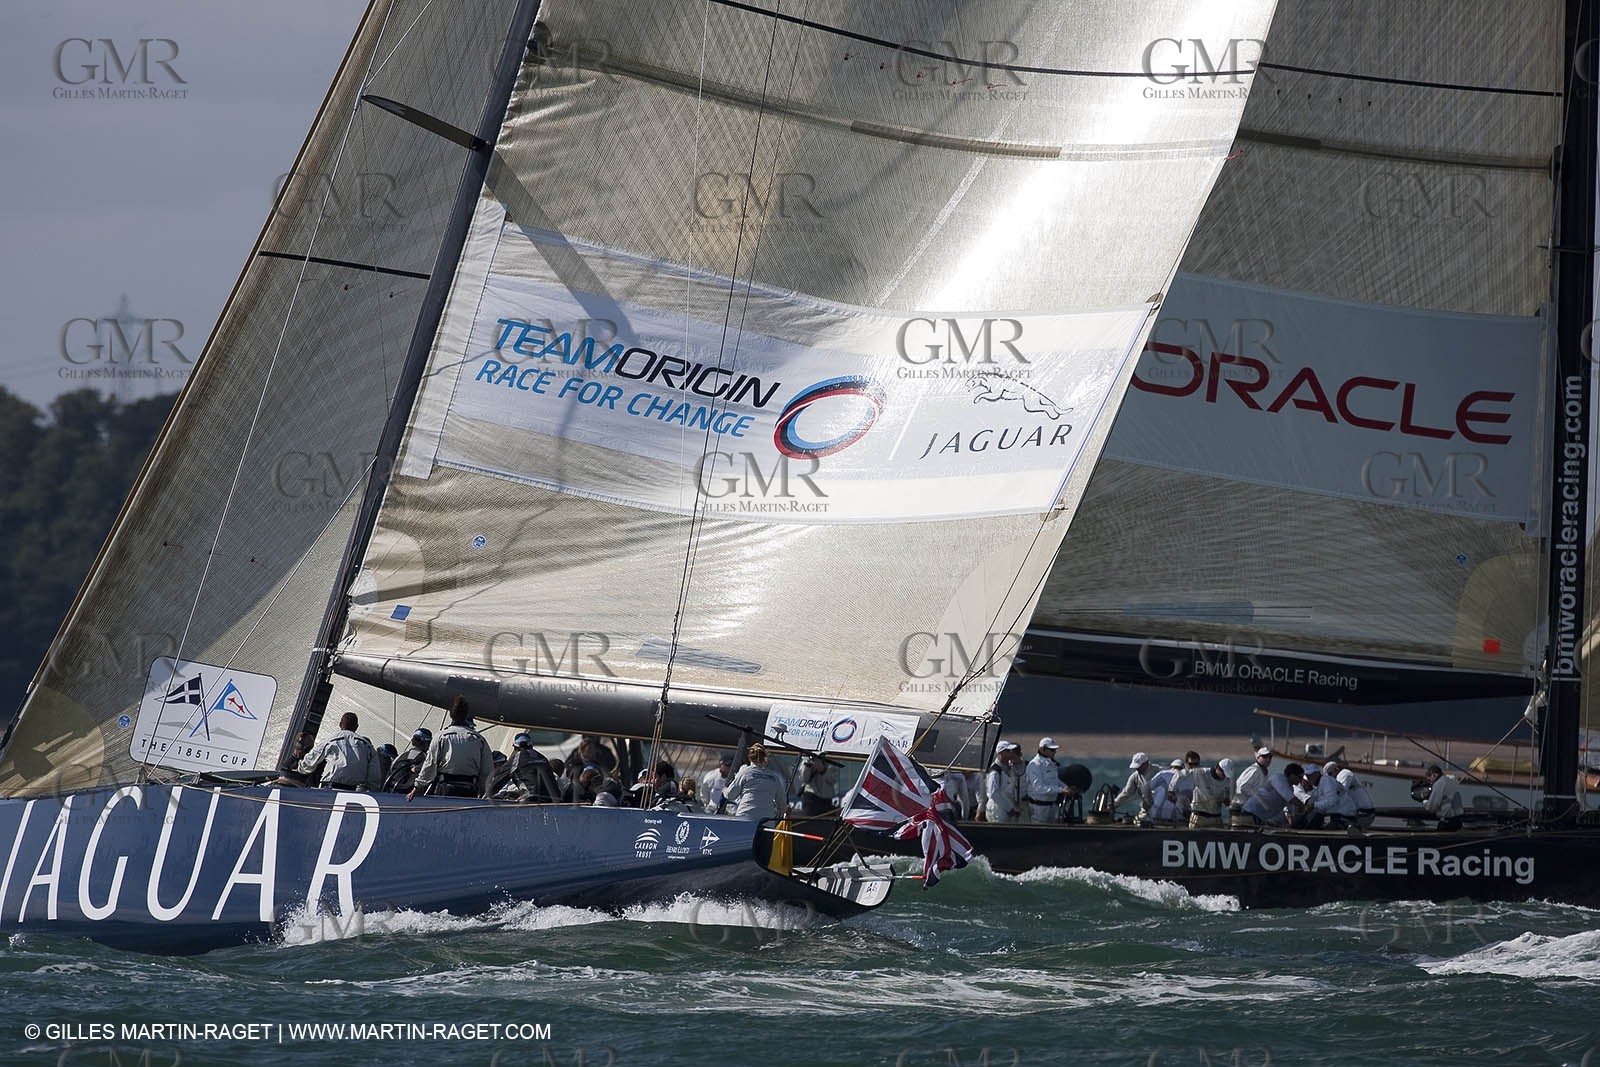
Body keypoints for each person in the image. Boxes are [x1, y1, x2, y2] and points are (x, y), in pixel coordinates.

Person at [408, 696, 494, 799]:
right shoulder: (480, 740)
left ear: (451, 715)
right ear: (466, 714)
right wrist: (484, 791)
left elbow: (430, 764)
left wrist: (417, 787)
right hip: (470, 790)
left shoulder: (441, 737)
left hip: (445, 789)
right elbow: (487, 771)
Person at [297, 713, 381, 790]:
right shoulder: (367, 746)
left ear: (340, 724)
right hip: (353, 791)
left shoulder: (330, 740)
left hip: (330, 788)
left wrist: (300, 768)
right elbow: (374, 775)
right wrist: (372, 789)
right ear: (356, 727)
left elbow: (312, 760)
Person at [723, 743, 787, 820]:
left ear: (749, 757)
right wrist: (781, 812)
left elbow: (731, 795)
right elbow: (782, 802)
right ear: (765, 757)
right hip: (766, 820)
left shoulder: (744, 772)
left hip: (745, 817)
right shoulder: (774, 777)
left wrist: (724, 790)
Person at [1239, 763, 1305, 828]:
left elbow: (1290, 811)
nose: (1301, 780)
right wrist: (1303, 805)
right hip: (1250, 813)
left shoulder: (1290, 789)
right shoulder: (1278, 778)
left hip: (1260, 819)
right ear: (1292, 775)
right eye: (1300, 777)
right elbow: (1290, 798)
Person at [1024, 738, 1072, 823]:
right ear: (1042, 750)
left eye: (1055, 750)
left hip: (1051, 805)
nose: (1054, 752)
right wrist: (1061, 790)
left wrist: (1066, 788)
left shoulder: (1051, 764)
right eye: (1052, 750)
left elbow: (1055, 780)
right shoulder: (1034, 765)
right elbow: (1039, 787)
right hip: (1038, 807)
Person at [496, 733, 555, 800]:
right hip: (555, 799)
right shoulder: (542, 757)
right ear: (531, 746)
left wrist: (486, 796)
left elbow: (499, 781)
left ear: (515, 748)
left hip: (533, 799)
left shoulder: (516, 758)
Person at [985, 741, 1024, 823]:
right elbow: (993, 793)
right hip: (997, 810)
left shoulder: (1009, 768)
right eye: (1008, 751)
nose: (1011, 753)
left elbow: (1020, 771)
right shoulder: (995, 771)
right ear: (1001, 753)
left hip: (1007, 810)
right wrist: (1009, 808)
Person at [382, 728, 431, 792]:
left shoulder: (400, 756)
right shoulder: (425, 758)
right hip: (410, 794)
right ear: (426, 742)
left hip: (391, 790)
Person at [1114, 752, 1156, 825]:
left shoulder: (1158, 771)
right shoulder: (1135, 776)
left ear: (1146, 763)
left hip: (1161, 809)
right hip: (1146, 810)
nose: (1137, 769)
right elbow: (1126, 792)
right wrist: (1114, 804)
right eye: (1136, 767)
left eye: (1139, 766)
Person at [1187, 759, 1232, 828]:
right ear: (1218, 768)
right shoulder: (1201, 772)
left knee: (1220, 837)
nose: (1224, 777)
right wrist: (1170, 790)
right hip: (1199, 816)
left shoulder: (1227, 779)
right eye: (1223, 774)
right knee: (1194, 837)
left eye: (1226, 775)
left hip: (1216, 817)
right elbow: (1180, 775)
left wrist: (1226, 800)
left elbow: (1227, 794)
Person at [1422, 764, 1464, 831]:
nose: (1430, 783)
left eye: (1429, 780)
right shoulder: (1451, 780)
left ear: (1434, 775)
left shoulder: (1438, 784)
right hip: (1458, 821)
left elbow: (1432, 807)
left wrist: (1424, 801)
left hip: (1447, 822)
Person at [1232, 748, 1272, 815]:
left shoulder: (1263, 771)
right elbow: (1243, 787)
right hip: (1241, 807)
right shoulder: (1254, 770)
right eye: (1265, 756)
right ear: (1258, 757)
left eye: (1270, 757)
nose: (1268, 759)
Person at [1335, 763, 1376, 829]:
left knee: (1336, 823)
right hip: (1360, 814)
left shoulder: (1345, 773)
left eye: (1330, 774)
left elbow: (1340, 792)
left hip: (1364, 815)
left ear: (1336, 769)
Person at [1148, 759, 1183, 825]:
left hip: (1156, 815)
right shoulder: (1185, 777)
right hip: (1176, 817)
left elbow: (1147, 788)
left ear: (1171, 767)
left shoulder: (1162, 773)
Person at [1173, 751, 1201, 822]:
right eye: (1191, 764)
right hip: (1179, 812)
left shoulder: (1202, 776)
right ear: (1186, 764)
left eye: (1196, 764)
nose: (1194, 767)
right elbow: (1171, 795)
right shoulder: (1179, 776)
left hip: (1195, 811)